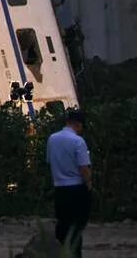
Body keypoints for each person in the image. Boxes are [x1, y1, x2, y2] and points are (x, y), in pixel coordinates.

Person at [46, 110, 92, 258]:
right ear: (79, 125)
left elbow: (49, 161)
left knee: (62, 224)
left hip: (59, 188)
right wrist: (89, 183)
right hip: (76, 188)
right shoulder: (78, 141)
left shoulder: (52, 139)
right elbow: (83, 167)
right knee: (76, 227)